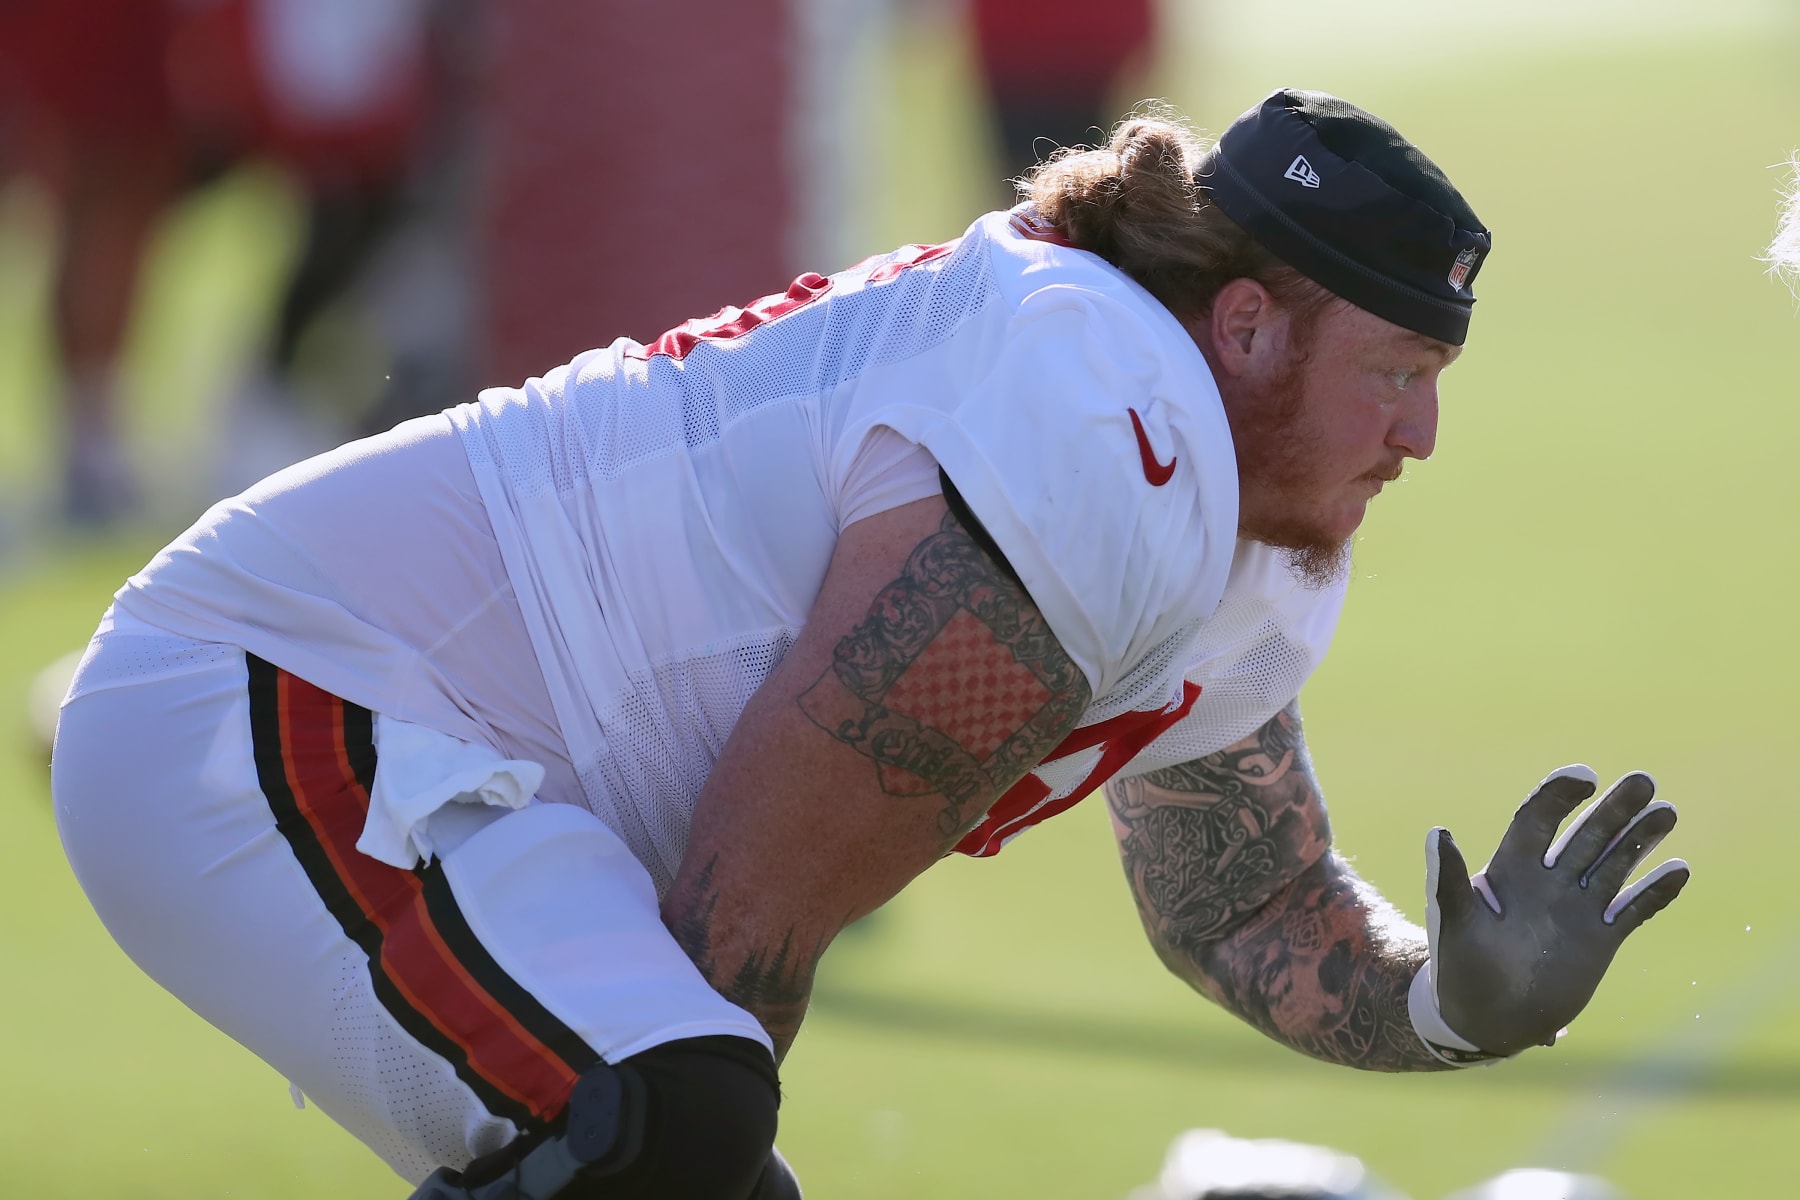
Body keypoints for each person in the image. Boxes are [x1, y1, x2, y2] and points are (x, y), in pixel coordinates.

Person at [50, 90, 1690, 1199]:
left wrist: (1449, 1005)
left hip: (490, 795)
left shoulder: (1219, 510)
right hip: (297, 701)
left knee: (670, 1120)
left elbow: (1237, 893)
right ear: (1246, 325)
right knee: (669, 1118)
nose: (1417, 438)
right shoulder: (1107, 420)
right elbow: (742, 911)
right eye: (1393, 372)